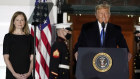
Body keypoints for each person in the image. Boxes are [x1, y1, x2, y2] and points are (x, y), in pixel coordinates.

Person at [3, 11, 34, 79]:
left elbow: (32, 58)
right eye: (17, 20)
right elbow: (6, 58)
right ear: (13, 22)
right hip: (12, 74)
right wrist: (14, 73)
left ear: (25, 22)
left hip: (26, 74)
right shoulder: (8, 37)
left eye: (22, 20)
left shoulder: (30, 37)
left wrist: (29, 73)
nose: (20, 22)